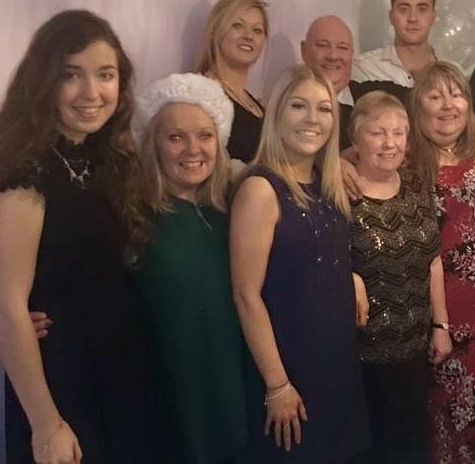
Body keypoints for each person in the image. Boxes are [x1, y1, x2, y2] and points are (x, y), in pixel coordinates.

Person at [0, 10, 156, 463]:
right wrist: (46, 426)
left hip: (119, 367)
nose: (91, 93)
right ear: (43, 83)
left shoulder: (104, 158)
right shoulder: (26, 175)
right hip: (64, 381)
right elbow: (6, 307)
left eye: (105, 75)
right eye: (71, 75)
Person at [230, 65, 370, 463]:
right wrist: (277, 385)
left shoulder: (327, 186)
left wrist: (353, 276)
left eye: (324, 109)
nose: (313, 119)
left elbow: (319, 256)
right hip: (290, 366)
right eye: (298, 106)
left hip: (336, 359)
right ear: (276, 114)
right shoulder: (261, 189)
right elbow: (245, 295)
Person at [131, 73, 250, 463]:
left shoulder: (234, 208)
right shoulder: (133, 218)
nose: (193, 149)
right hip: (170, 396)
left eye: (204, 135)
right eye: (176, 137)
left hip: (236, 386)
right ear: (154, 144)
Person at [409, 62, 475, 463]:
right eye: (434, 96)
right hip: (441, 310)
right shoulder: (403, 157)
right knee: (444, 407)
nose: (447, 106)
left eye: (455, 94)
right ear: (417, 105)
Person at [347, 91, 451, 463]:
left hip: (414, 350)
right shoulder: (341, 193)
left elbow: (432, 260)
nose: (390, 143)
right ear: (355, 139)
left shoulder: (415, 185)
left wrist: (441, 325)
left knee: (411, 446)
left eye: (398, 132)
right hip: (363, 357)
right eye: (377, 133)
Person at [301, 15, 407, 150]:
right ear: (304, 50)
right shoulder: (290, 106)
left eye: (342, 48)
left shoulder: (377, 94)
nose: (333, 56)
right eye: (323, 45)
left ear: (352, 54)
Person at [196, 0, 268, 163]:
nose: (248, 36)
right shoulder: (200, 95)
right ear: (215, 31)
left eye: (257, 30)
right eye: (237, 25)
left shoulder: (258, 105)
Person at [352, 0, 438, 98]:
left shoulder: (451, 72)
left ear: (433, 17)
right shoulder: (364, 69)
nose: (412, 18)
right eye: (403, 9)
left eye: (422, 9)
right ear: (391, 17)